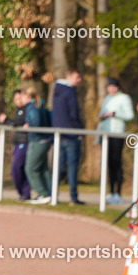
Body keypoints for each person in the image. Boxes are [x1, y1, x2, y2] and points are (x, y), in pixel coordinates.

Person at [51, 69, 85, 205]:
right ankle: (73, 197)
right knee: (72, 167)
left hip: (59, 134)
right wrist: (79, 131)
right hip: (71, 135)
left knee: (58, 167)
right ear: (69, 77)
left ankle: (53, 195)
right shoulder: (69, 92)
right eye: (77, 77)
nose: (79, 80)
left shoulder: (56, 91)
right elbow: (73, 113)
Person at [0, 89, 31, 200]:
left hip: (24, 142)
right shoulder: (18, 110)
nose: (19, 101)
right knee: (18, 169)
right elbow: (17, 123)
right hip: (17, 143)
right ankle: (24, 194)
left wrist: (6, 120)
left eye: (20, 98)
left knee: (17, 167)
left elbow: (18, 123)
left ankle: (25, 193)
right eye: (16, 99)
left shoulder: (27, 109)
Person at [22, 88, 52, 204]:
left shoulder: (31, 107)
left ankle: (43, 193)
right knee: (43, 169)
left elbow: (36, 122)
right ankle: (50, 194)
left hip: (37, 141)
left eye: (23, 96)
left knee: (30, 169)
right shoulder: (40, 105)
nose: (21, 99)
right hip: (45, 140)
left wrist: (29, 126)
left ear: (29, 97)